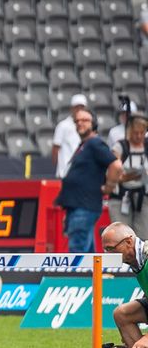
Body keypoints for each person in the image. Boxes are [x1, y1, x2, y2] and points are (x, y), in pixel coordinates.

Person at [60, 107, 119, 252]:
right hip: (78, 208)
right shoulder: (84, 146)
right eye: (77, 121)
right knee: (88, 258)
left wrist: (109, 187)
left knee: (78, 255)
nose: (80, 123)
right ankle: (93, 276)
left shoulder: (94, 143)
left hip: (84, 207)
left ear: (94, 123)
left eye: (85, 120)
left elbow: (116, 165)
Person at [101, 222, 148, 348]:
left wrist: (147, 338)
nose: (108, 254)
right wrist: (131, 343)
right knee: (122, 314)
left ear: (128, 241)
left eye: (111, 249)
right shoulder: (137, 257)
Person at [113, 114, 148, 236]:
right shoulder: (120, 147)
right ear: (129, 131)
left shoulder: (146, 147)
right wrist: (134, 175)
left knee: (144, 236)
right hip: (121, 196)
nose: (138, 136)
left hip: (143, 196)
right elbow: (114, 173)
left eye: (142, 133)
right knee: (122, 236)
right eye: (135, 133)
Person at [55, 95, 92, 175]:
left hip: (81, 172)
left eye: (81, 107)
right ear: (71, 108)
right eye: (76, 107)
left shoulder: (89, 125)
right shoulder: (62, 125)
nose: (79, 110)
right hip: (64, 172)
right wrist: (59, 168)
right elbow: (55, 148)